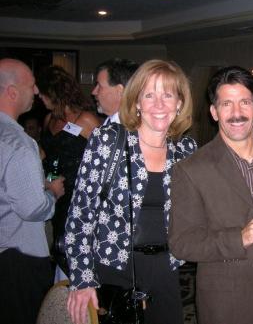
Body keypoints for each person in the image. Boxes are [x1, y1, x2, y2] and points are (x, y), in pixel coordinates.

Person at [169, 66, 253, 324]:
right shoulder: (191, 169)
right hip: (228, 297)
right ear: (213, 112)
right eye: (226, 104)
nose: (236, 113)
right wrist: (238, 238)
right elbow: (182, 243)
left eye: (245, 102)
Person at [65, 59, 197, 324]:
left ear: (179, 103)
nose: (159, 105)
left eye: (167, 95)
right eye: (149, 95)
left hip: (166, 270)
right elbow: (80, 215)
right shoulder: (109, 141)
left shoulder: (186, 150)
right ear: (136, 102)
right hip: (113, 268)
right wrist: (82, 279)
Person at [0, 58, 65, 324]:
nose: (36, 92)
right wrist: (52, 193)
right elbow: (33, 209)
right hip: (17, 256)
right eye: (31, 85)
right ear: (12, 92)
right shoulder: (18, 142)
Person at [36, 65, 101, 277]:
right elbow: (49, 157)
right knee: (57, 245)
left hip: (79, 196)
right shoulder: (49, 120)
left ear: (54, 94)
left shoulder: (85, 120)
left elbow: (105, 158)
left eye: (43, 94)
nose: (40, 98)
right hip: (55, 193)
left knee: (74, 248)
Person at [91, 58, 139, 124]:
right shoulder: (113, 122)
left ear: (120, 91)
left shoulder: (128, 129)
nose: (94, 92)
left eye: (99, 86)